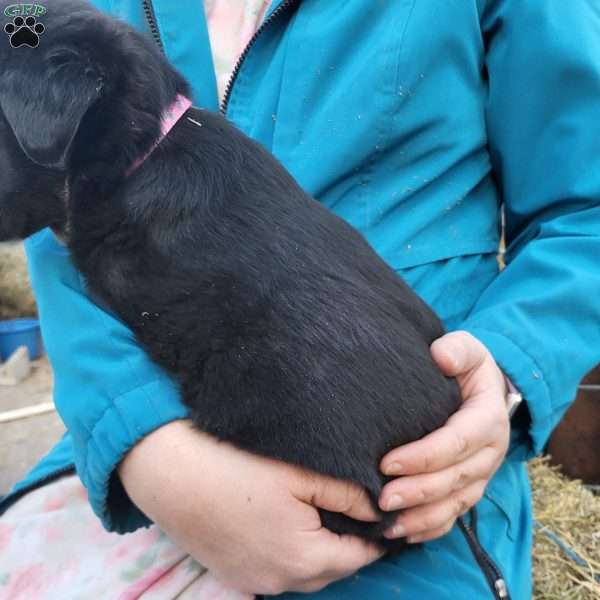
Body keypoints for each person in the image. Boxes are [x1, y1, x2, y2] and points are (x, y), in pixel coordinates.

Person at [1, 1, 600, 598]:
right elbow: (18, 29)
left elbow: (586, 214)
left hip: (397, 477)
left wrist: (507, 364)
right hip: (145, 454)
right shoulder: (31, 16)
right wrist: (142, 439)